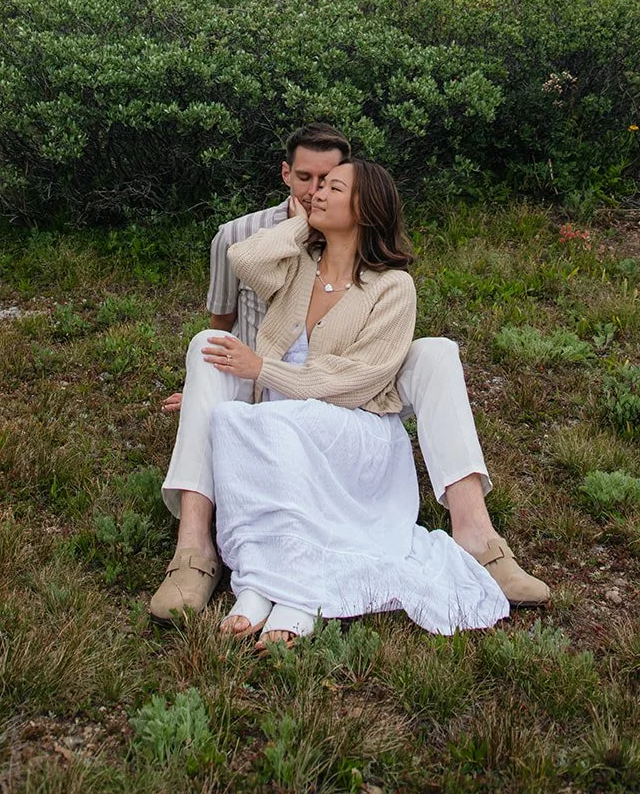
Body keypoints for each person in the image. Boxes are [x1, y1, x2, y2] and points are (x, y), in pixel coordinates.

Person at [150, 123, 549, 622]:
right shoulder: (295, 258)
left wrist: (266, 368)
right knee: (206, 343)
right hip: (271, 394)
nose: (314, 193)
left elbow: (359, 378)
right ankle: (194, 551)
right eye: (309, 182)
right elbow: (242, 260)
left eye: (330, 186)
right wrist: (303, 227)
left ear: (362, 208)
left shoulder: (392, 286)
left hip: (343, 409)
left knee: (440, 351)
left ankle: (478, 537)